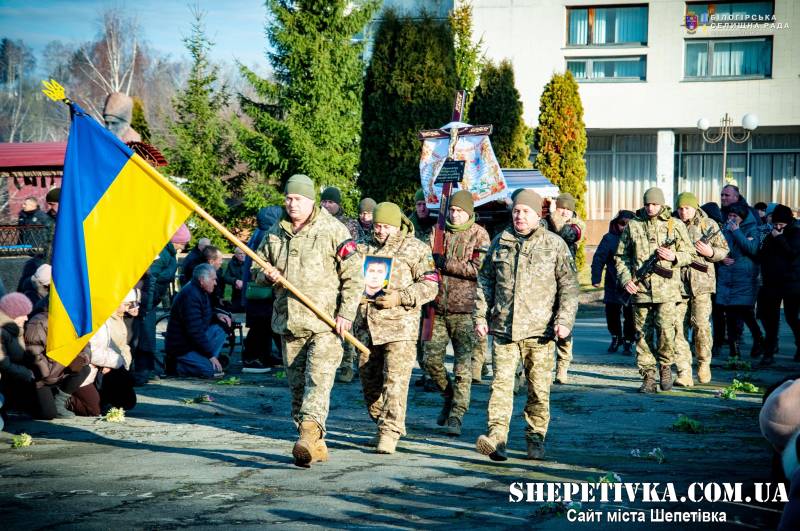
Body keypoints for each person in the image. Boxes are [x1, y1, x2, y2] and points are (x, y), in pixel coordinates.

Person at [254, 174, 363, 467]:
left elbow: (354, 276)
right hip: (289, 322)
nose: (291, 204)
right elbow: (256, 268)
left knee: (318, 382)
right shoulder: (275, 232)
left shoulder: (332, 229)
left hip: (325, 323)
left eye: (298, 199)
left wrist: (346, 315)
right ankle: (314, 444)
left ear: (311, 200)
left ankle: (307, 434)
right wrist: (266, 275)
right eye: (288, 198)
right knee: (298, 391)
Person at [473, 189, 579, 461]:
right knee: (500, 387)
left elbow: (569, 287)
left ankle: (535, 439)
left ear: (538, 214)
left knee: (538, 391)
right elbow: (485, 282)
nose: (520, 216)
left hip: (540, 333)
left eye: (526, 211)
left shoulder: (554, 245)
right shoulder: (500, 242)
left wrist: (564, 321)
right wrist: (480, 317)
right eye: (517, 211)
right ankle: (497, 439)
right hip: (504, 329)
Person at [353, 202, 438, 453]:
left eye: (386, 226)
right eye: (377, 225)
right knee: (370, 384)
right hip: (367, 328)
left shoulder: (415, 249)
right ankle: (381, 422)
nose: (380, 231)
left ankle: (390, 432)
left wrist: (400, 297)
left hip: (400, 327)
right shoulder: (361, 248)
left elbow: (431, 285)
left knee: (396, 382)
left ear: (397, 225)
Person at [422, 190, 489, 437]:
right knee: (431, 360)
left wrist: (446, 264)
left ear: (469, 212)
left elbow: (478, 268)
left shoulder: (479, 234)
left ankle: (457, 415)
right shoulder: (438, 232)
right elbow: (425, 258)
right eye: (452, 210)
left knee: (463, 368)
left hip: (466, 310)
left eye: (459, 210)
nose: (454, 214)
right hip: (437, 307)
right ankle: (448, 396)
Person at [614, 187, 694, 393]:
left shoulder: (674, 225)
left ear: (662, 204)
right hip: (640, 290)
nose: (650, 208)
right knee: (642, 335)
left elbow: (690, 254)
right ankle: (648, 376)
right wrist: (626, 280)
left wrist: (673, 256)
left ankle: (666, 367)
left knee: (667, 332)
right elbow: (621, 257)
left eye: (655, 204)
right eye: (647, 204)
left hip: (667, 291)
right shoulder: (633, 225)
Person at [672, 192, 729, 385]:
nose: (683, 212)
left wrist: (711, 252)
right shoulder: (671, 224)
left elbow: (724, 250)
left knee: (701, 327)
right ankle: (684, 371)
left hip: (701, 284)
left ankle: (704, 363)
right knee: (677, 328)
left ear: (695, 207)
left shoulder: (708, 224)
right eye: (680, 208)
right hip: (676, 284)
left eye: (687, 208)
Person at [545, 192, 586, 384]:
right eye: (562, 208)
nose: (565, 212)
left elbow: (567, 234)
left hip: (566, 280)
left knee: (564, 325)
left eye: (569, 209)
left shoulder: (578, 225)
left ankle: (562, 367)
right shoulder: (545, 222)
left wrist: (555, 215)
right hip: (545, 279)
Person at [165, 264, 230, 379]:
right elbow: (195, 331)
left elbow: (201, 314)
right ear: (202, 280)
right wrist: (210, 356)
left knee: (220, 328)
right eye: (213, 279)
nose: (215, 283)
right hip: (182, 347)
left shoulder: (200, 290)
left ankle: (205, 361)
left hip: (191, 341)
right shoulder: (191, 295)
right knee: (211, 372)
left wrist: (216, 315)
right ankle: (176, 366)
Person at [717, 202, 764, 359]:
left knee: (745, 313)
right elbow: (718, 248)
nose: (731, 219)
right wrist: (721, 258)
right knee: (730, 315)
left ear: (742, 218)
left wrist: (737, 231)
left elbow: (751, 248)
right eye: (729, 216)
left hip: (744, 278)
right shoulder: (725, 229)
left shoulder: (752, 229)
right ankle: (734, 351)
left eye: (734, 216)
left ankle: (758, 339)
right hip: (727, 277)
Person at [241, 206, 283, 373]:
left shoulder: (258, 234)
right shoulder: (267, 236)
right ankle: (251, 358)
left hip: (257, 288)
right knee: (261, 323)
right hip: (261, 289)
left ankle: (264, 355)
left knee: (265, 323)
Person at [756, 205, 800, 365]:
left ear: (788, 222)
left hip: (791, 283)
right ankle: (769, 351)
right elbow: (762, 255)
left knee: (792, 317)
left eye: (781, 224)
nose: (778, 227)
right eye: (776, 224)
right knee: (770, 319)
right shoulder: (771, 235)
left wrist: (779, 238)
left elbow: (792, 253)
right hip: (772, 283)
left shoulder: (795, 233)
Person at [592, 210, 636, 354]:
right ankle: (616, 337)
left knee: (631, 315)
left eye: (628, 224)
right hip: (613, 283)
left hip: (632, 283)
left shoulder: (638, 239)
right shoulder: (609, 238)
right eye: (622, 223)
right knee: (612, 314)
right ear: (616, 224)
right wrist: (596, 278)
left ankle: (629, 341)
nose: (624, 227)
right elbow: (599, 259)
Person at [223, 247, 247, 312]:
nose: (242, 255)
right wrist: (235, 281)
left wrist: (243, 284)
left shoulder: (250, 262)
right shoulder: (231, 263)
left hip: (249, 293)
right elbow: (226, 277)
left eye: (244, 253)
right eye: (240, 253)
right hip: (236, 295)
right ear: (235, 255)